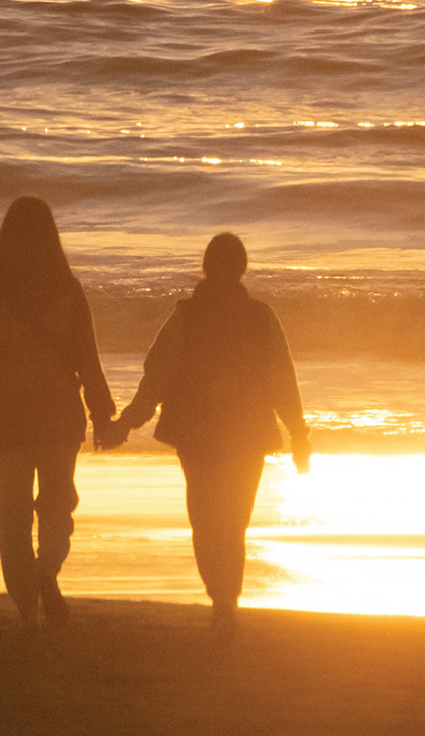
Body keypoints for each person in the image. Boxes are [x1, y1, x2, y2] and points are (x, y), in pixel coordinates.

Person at [103, 232, 309, 636]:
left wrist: (127, 422)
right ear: (242, 269)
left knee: (205, 519)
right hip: (247, 435)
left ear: (206, 268)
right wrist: (299, 436)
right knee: (233, 522)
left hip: (196, 435)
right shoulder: (260, 317)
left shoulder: (186, 316)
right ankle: (226, 601)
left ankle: (221, 597)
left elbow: (155, 378)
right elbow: (284, 382)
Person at [0, 196, 116, 628]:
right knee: (59, 504)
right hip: (59, 416)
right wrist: (102, 412)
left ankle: (27, 610)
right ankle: (47, 569)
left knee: (11, 516)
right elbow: (88, 357)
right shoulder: (68, 288)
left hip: (5, 419)